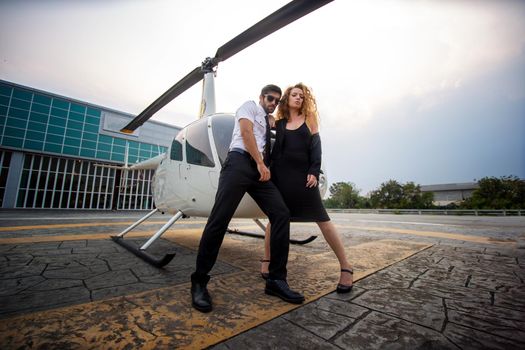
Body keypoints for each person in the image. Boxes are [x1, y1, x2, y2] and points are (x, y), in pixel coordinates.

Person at [191, 84, 305, 313]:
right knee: (219, 220)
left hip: (258, 171)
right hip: (239, 164)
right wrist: (261, 163)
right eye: (270, 99)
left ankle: (276, 280)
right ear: (261, 97)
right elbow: (245, 133)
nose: (273, 103)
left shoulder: (267, 118)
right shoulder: (249, 107)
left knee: (281, 213)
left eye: (276, 101)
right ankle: (199, 282)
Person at [260, 83, 354, 293]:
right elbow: (274, 151)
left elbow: (316, 148)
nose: (298, 98)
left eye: (301, 96)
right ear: (287, 99)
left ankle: (346, 267)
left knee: (323, 220)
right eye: (294, 95)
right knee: (274, 221)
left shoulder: (309, 120)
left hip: (305, 179)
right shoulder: (280, 123)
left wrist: (314, 170)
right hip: (281, 178)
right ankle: (266, 259)